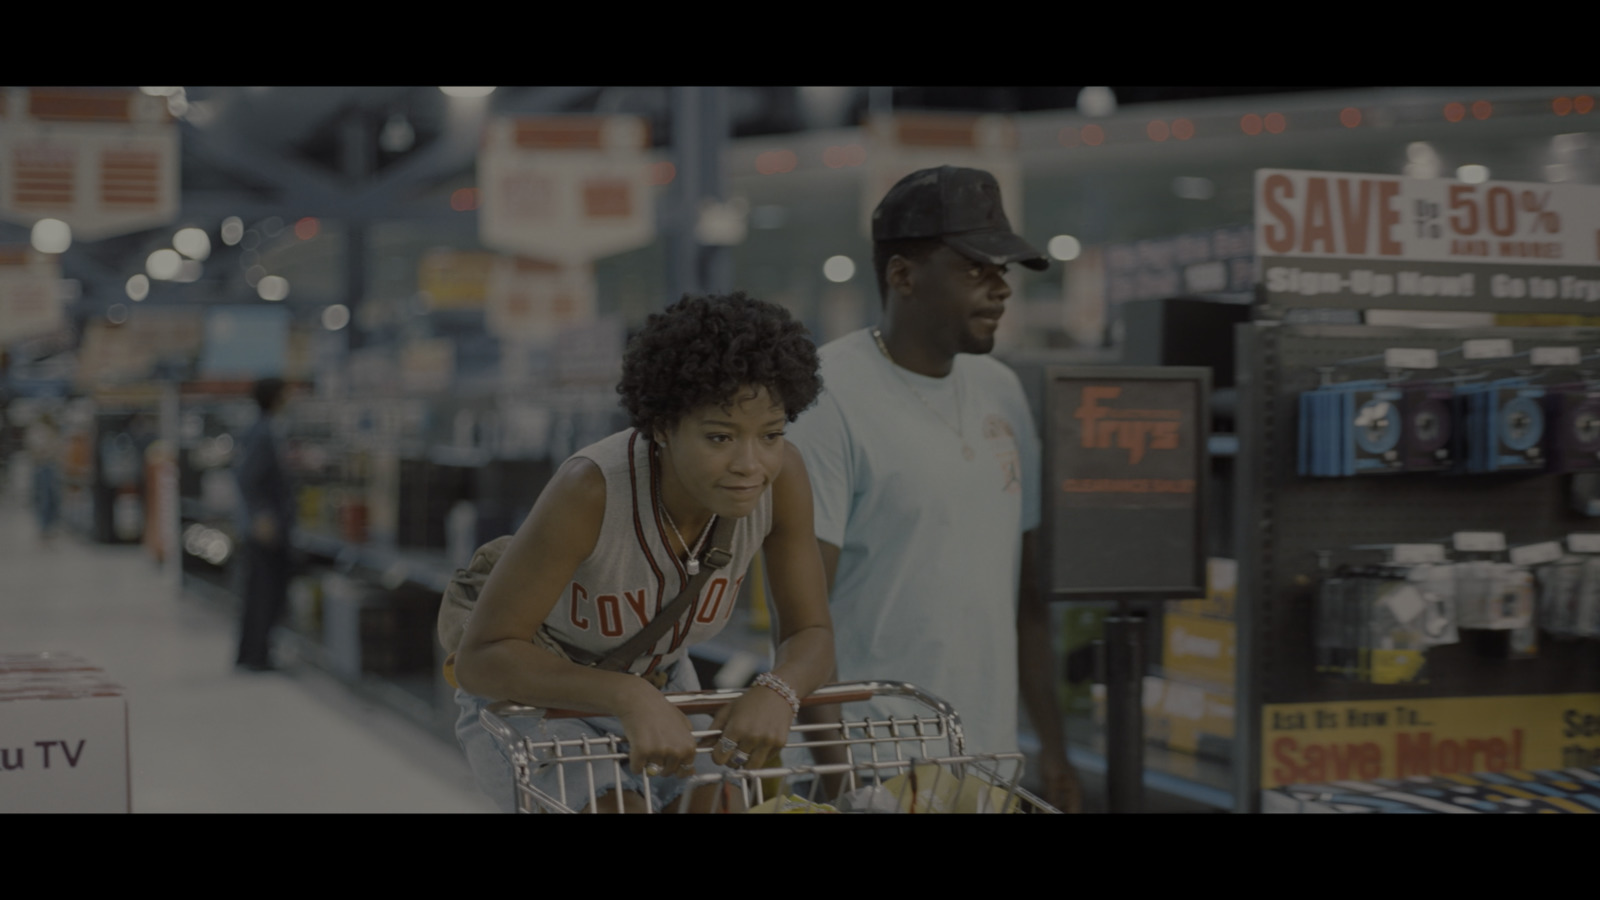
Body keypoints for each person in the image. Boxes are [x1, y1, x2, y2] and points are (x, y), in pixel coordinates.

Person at [452, 292, 836, 814]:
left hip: (661, 684)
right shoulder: (591, 490)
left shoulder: (783, 477)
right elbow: (482, 657)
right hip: (538, 692)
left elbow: (810, 633)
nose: (752, 463)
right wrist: (626, 696)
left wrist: (778, 688)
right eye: (720, 437)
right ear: (661, 427)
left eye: (770, 434)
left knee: (722, 801)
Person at [785, 165, 1084, 813]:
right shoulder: (825, 395)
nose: (1001, 289)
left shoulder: (1003, 391)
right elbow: (801, 620)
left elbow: (1025, 598)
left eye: (1003, 272)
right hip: (873, 763)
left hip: (988, 762)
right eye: (977, 269)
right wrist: (843, 791)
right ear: (903, 275)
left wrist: (1054, 750)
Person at [234, 377, 295, 672]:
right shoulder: (261, 432)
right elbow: (247, 477)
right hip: (264, 526)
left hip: (268, 522)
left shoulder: (266, 428)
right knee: (263, 592)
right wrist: (261, 515)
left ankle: (253, 653)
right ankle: (255, 656)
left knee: (261, 591)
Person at [26, 411, 62, 548]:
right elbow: (37, 449)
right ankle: (44, 527)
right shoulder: (39, 430)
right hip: (42, 466)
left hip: (49, 465)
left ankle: (49, 526)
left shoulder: (50, 430)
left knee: (51, 498)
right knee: (45, 498)